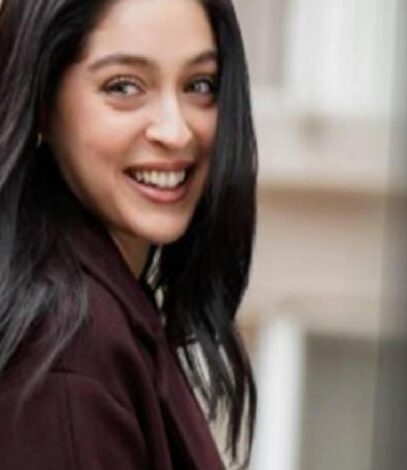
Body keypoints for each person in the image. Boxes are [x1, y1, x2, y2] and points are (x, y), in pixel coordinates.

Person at [0, 0, 258, 468]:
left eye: (199, 85)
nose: (175, 132)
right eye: (124, 86)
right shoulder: (64, 357)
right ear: (42, 99)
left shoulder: (106, 308)